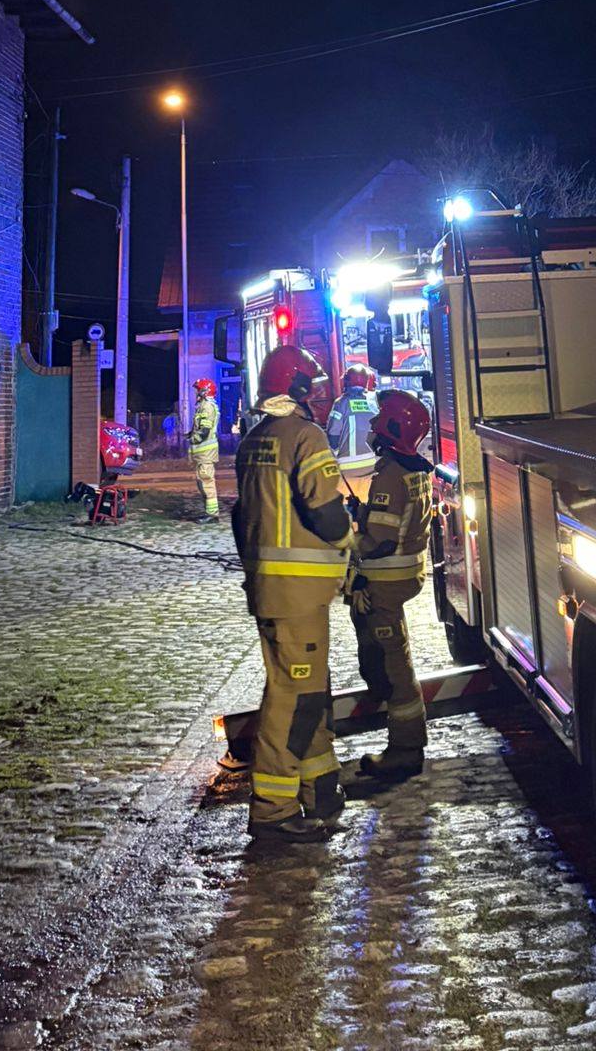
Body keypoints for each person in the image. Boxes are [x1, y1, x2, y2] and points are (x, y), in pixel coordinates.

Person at [231, 344, 352, 841]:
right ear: (297, 389)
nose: (319, 395)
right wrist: (351, 537)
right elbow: (326, 514)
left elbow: (241, 518)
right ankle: (273, 811)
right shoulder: (305, 436)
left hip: (271, 589)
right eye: (313, 386)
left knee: (308, 692)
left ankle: (320, 788)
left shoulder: (253, 440)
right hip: (298, 593)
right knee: (295, 699)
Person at [347, 388, 434, 787]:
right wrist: (363, 512)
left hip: (385, 582)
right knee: (388, 660)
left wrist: (349, 545)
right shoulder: (415, 470)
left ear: (391, 427)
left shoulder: (390, 474)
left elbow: (380, 540)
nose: (372, 425)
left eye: (378, 419)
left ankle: (405, 749)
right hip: (404, 576)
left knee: (396, 668)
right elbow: (396, 522)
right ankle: (401, 738)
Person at [325, 364, 379, 478]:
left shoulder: (341, 403)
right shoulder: (373, 404)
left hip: (347, 467)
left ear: (347, 381)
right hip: (371, 464)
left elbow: (333, 433)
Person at [189, 377, 221, 520]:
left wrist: (193, 438)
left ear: (205, 391)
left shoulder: (207, 406)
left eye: (198, 390)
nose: (197, 393)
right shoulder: (204, 405)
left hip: (206, 453)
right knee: (202, 482)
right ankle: (210, 512)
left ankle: (212, 515)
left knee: (207, 482)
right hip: (203, 455)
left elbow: (205, 430)